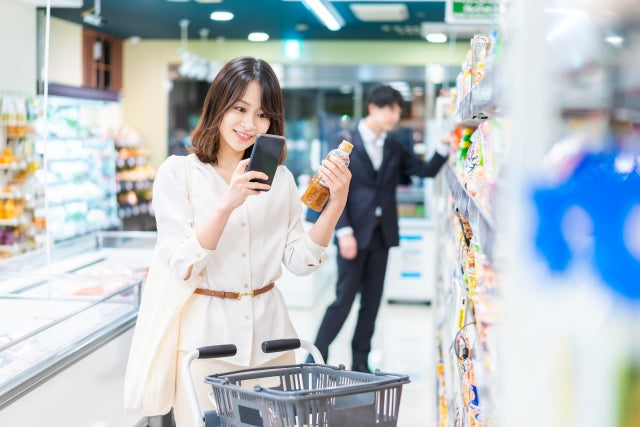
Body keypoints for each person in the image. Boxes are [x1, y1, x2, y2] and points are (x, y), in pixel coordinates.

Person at [125, 56, 351, 427]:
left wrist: (335, 205)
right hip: (205, 347)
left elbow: (299, 261)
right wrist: (227, 204)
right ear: (218, 106)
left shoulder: (281, 181)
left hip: (273, 342)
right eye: (239, 108)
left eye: (262, 115)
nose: (249, 124)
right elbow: (182, 262)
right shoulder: (178, 174)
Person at [309, 84, 449, 373]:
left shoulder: (394, 145)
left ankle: (361, 363)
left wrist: (445, 147)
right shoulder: (343, 141)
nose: (395, 116)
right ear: (373, 107)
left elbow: (424, 171)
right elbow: (329, 186)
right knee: (343, 301)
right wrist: (342, 231)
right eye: (391, 109)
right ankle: (314, 359)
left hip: (381, 236)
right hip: (352, 234)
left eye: (398, 110)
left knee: (371, 304)